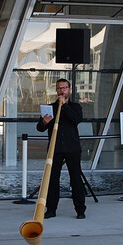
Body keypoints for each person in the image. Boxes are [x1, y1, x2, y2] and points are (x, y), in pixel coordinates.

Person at [36, 78, 86, 219]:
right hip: (55, 149)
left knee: (75, 179)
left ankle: (80, 209)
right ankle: (51, 209)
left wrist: (64, 106)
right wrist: (44, 122)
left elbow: (76, 119)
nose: (61, 90)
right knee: (52, 180)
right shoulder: (50, 108)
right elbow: (40, 128)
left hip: (72, 148)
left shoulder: (75, 107)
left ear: (69, 90)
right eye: (59, 88)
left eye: (64, 88)